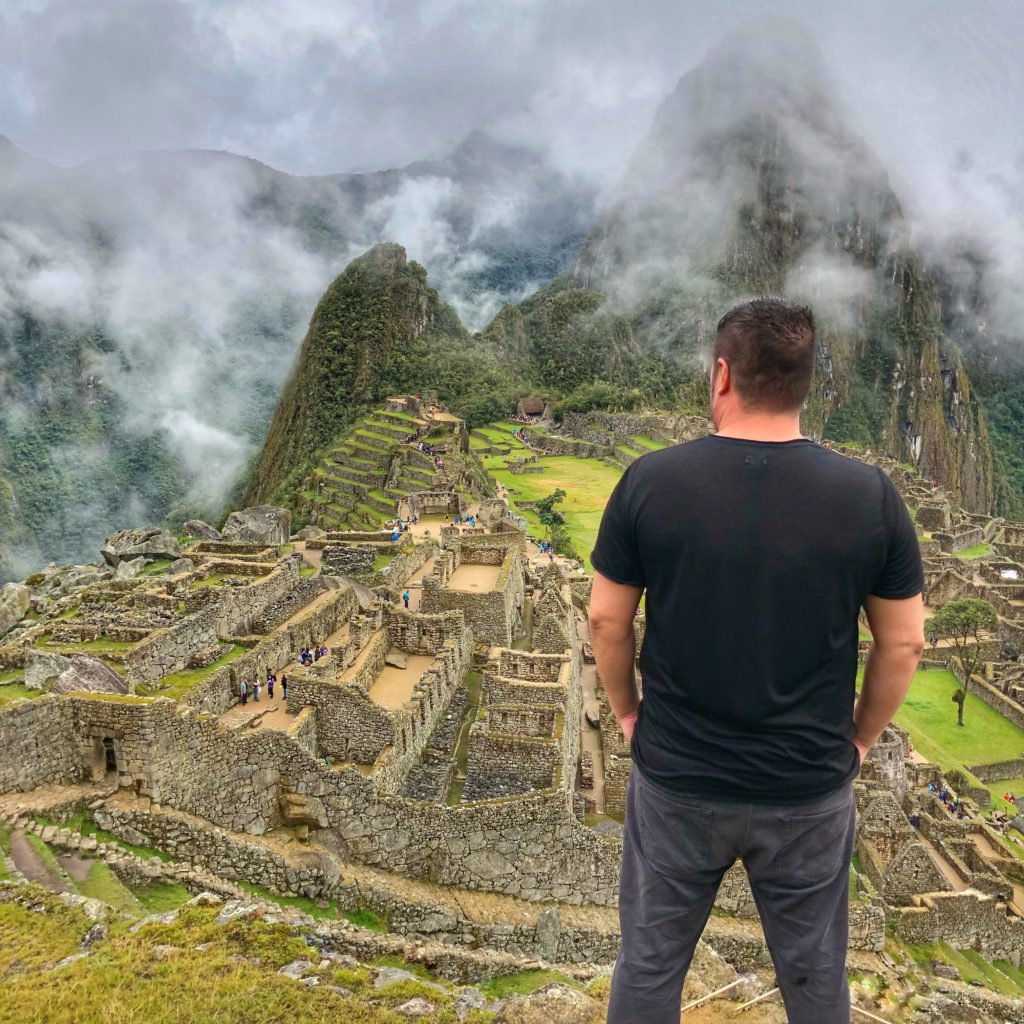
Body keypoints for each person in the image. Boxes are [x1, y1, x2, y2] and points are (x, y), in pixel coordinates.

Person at [589, 298, 925, 1024]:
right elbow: (904, 643)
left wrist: (626, 715)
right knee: (814, 980)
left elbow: (606, 620)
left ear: (720, 375)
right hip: (807, 789)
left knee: (647, 967)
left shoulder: (649, 482)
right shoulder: (870, 498)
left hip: (678, 778)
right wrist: (859, 740)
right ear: (809, 385)